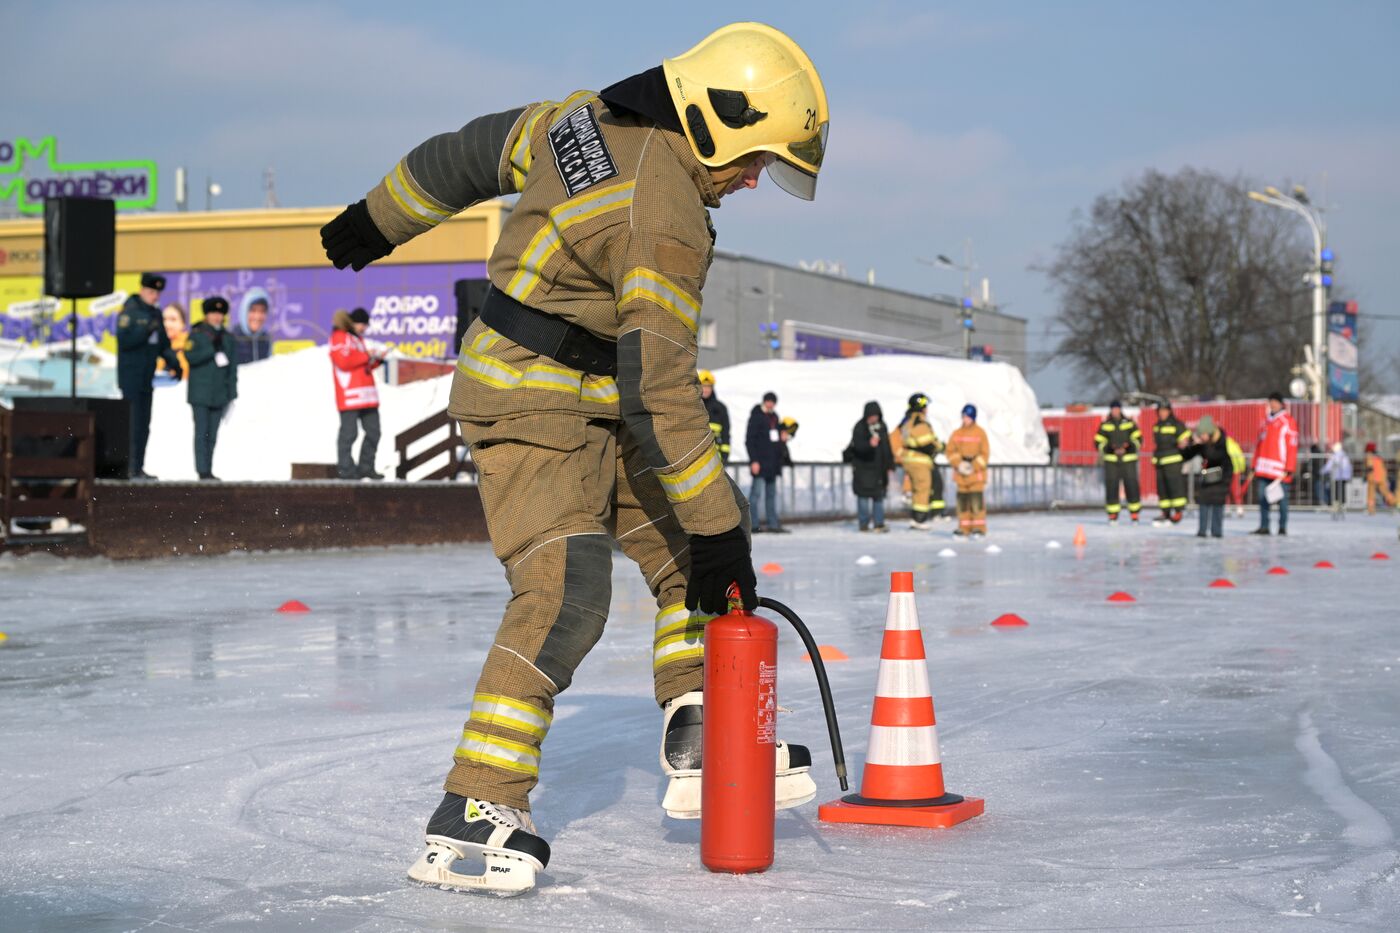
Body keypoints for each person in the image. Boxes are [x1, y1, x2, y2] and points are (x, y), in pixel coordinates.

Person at [318, 21, 827, 894]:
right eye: (754, 160)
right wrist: (726, 525)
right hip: (524, 398)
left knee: (686, 562)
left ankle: (702, 732)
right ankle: (473, 809)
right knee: (567, 590)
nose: (750, 182)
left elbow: (465, 154)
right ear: (715, 118)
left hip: (596, 398)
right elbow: (662, 388)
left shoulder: (582, 118)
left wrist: (377, 217)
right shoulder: (664, 217)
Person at [116, 272, 182, 479]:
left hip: (146, 378)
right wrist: (145, 330)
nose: (155, 297)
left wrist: (174, 362)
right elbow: (125, 341)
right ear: (142, 290)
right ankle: (129, 467)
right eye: (152, 292)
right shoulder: (130, 312)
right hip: (131, 377)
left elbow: (163, 344)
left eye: (157, 293)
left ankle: (138, 467)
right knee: (132, 424)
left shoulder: (155, 314)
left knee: (144, 424)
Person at [185, 296, 238, 480]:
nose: (217, 317)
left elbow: (232, 368)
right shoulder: (197, 334)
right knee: (202, 433)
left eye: (220, 313)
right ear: (206, 314)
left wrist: (232, 393)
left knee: (212, 435)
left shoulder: (228, 338)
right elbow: (191, 357)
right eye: (213, 313)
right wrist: (210, 350)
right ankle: (202, 470)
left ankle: (208, 469)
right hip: (200, 393)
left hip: (219, 394)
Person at [330, 308, 386, 480]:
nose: (364, 328)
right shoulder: (339, 337)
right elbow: (343, 361)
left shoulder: (357, 340)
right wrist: (365, 355)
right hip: (350, 396)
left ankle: (366, 467)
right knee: (349, 433)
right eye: (361, 324)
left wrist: (375, 360)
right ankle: (346, 471)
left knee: (374, 432)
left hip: (367, 396)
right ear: (352, 322)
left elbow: (361, 366)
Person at [1251, 392, 1298, 535]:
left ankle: (1282, 527)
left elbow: (1292, 445)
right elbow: (1259, 445)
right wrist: (1254, 464)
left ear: (1281, 404)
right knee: (1262, 498)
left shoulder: (1287, 421)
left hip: (1279, 469)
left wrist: (1289, 467)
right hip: (1263, 468)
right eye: (1270, 402)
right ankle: (1264, 525)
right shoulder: (1266, 422)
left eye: (1275, 402)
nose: (1272, 405)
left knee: (1282, 500)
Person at [897, 393, 944, 530]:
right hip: (920, 461)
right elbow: (927, 442)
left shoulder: (907, 421)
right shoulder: (919, 422)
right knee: (923, 489)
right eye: (925, 406)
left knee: (917, 490)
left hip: (910, 459)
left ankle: (916, 517)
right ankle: (919, 519)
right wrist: (940, 447)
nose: (927, 410)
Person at [1181, 415, 1232, 539]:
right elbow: (1187, 455)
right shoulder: (1203, 443)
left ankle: (1216, 532)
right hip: (1208, 477)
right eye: (1200, 434)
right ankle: (1202, 531)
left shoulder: (1221, 440)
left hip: (1222, 478)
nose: (1202, 436)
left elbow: (1215, 456)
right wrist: (1186, 445)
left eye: (1203, 434)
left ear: (1209, 433)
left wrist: (1202, 444)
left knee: (1217, 504)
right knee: (1203, 501)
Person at [847, 402, 893, 532]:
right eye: (872, 415)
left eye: (876, 415)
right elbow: (857, 447)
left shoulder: (882, 427)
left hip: (878, 469)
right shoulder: (860, 427)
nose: (874, 418)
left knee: (878, 496)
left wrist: (889, 464)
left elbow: (886, 447)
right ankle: (864, 524)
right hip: (863, 469)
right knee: (863, 497)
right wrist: (869, 445)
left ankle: (879, 523)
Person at [1095, 400, 1142, 524]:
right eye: (1113, 409)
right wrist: (1111, 448)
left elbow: (1138, 439)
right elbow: (1098, 442)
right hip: (1112, 462)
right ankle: (1112, 515)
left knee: (1131, 486)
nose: (1115, 411)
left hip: (1128, 461)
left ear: (1120, 409)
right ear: (1111, 410)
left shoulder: (1129, 423)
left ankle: (1134, 514)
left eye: (1117, 409)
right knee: (1111, 487)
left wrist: (1127, 447)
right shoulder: (1105, 425)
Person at [746, 391, 786, 533]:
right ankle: (752, 524)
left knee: (771, 495)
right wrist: (754, 461)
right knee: (755, 495)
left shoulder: (774, 417)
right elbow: (750, 440)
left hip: (772, 464)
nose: (770, 404)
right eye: (768, 401)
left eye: (772, 402)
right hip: (760, 463)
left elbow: (776, 440)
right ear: (764, 402)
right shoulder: (757, 416)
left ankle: (773, 523)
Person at [947, 403, 990, 537]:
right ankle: (964, 528)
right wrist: (959, 464)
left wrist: (973, 466)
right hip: (961, 475)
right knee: (963, 503)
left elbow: (985, 453)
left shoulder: (980, 433)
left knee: (976, 503)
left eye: (968, 417)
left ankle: (978, 527)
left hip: (976, 475)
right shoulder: (956, 434)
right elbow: (950, 451)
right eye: (964, 417)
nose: (965, 420)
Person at [1150, 401, 1189, 525]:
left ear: (1169, 411)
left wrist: (1184, 442)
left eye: (1164, 410)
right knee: (1162, 488)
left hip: (1172, 461)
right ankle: (1165, 512)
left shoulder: (1177, 424)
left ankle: (1178, 512)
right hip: (1160, 460)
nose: (1161, 413)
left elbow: (1186, 438)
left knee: (1175, 487)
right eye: (1160, 411)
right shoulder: (1157, 425)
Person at [698, 370, 730, 462]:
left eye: (708, 387)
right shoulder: (693, 407)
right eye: (703, 386)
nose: (706, 389)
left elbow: (725, 433)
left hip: (716, 456)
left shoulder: (721, 408)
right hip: (696, 456)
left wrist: (724, 455)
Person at [156, 302, 190, 382]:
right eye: (164, 319)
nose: (167, 324)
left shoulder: (191, 344)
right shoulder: (153, 344)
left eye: (173, 319)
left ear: (183, 323)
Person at [234, 296, 273, 364]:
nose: (257, 316)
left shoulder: (266, 338)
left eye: (262, 311)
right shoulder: (231, 337)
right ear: (244, 311)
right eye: (253, 310)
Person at [1321, 441, 1352, 515]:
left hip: (1337, 476)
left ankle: (1336, 507)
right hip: (1344, 477)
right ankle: (1342, 505)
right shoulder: (1344, 455)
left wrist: (1322, 471)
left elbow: (1329, 466)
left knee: (1335, 492)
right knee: (1342, 491)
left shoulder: (1335, 456)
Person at [1364, 442, 1395, 513]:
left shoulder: (1369, 456)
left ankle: (1371, 509)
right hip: (1381, 477)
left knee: (1371, 494)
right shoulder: (1379, 458)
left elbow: (1370, 467)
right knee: (1385, 492)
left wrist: (1367, 475)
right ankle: (1394, 503)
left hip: (1373, 478)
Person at [1225, 431, 1249, 518]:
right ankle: (1239, 509)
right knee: (1236, 490)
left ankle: (1227, 508)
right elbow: (1240, 458)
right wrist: (1242, 468)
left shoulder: (1222, 445)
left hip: (1225, 471)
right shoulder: (1234, 445)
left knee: (1226, 490)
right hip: (1235, 471)